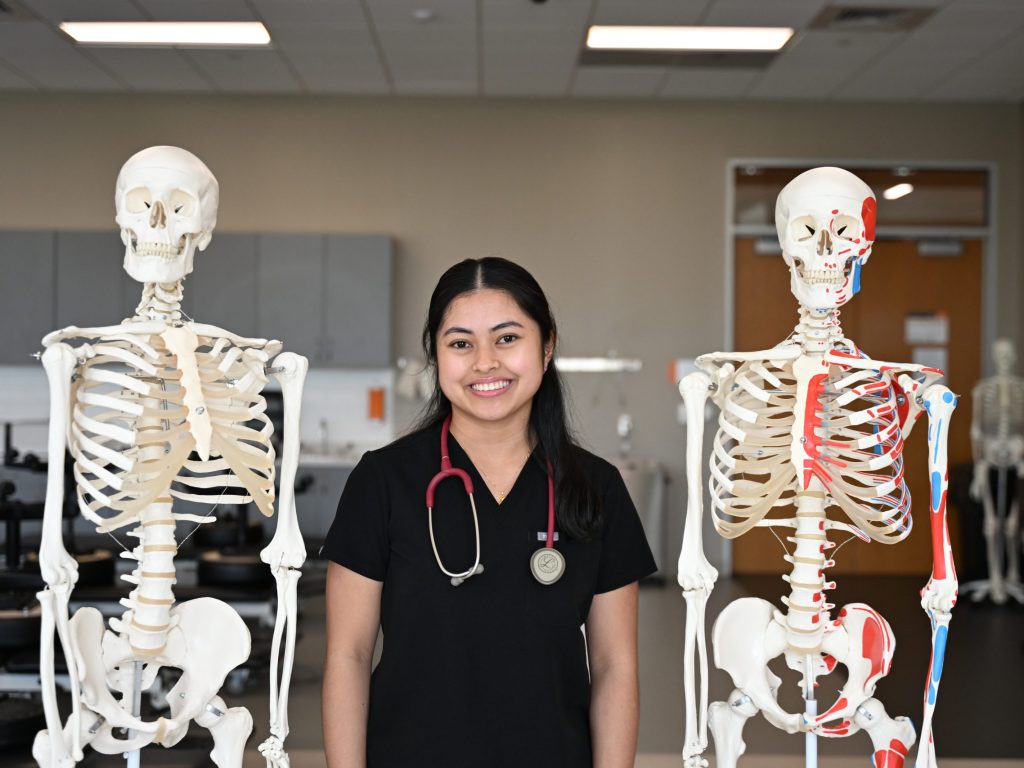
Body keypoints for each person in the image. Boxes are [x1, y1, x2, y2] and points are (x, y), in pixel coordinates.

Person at [322, 257, 656, 767]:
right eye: (460, 343)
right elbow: (348, 656)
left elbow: (614, 666)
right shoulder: (382, 482)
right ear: (436, 355)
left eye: (506, 339)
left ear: (546, 348)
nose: (484, 362)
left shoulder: (597, 488)